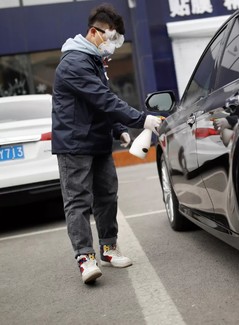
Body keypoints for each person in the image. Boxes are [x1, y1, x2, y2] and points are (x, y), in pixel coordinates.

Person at [51, 3, 162, 284]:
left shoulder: (93, 61)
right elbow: (103, 99)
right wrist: (142, 119)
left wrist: (120, 130)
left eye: (117, 40)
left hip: (98, 140)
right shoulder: (75, 62)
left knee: (107, 195)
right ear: (94, 32)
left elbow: (101, 103)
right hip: (74, 144)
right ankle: (85, 258)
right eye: (111, 38)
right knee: (78, 200)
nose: (113, 45)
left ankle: (109, 248)